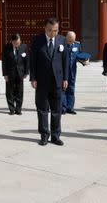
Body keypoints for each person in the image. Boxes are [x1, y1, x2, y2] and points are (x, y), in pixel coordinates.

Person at [29, 17, 68, 146]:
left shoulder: (62, 40)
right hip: (42, 81)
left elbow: (65, 61)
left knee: (57, 109)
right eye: (50, 30)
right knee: (42, 109)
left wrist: (66, 78)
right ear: (45, 28)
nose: (53, 33)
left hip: (57, 81)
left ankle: (56, 135)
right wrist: (33, 78)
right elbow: (33, 61)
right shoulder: (37, 40)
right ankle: (44, 135)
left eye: (56, 30)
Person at [61, 31, 90, 115]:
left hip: (72, 71)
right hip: (62, 71)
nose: (71, 42)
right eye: (69, 40)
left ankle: (70, 107)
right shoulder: (61, 44)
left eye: (72, 40)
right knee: (63, 89)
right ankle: (63, 107)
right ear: (66, 37)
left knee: (71, 89)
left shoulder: (77, 45)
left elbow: (79, 55)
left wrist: (84, 60)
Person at [1, 34, 28, 115]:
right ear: (12, 42)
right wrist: (5, 74)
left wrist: (26, 72)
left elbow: (27, 60)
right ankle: (11, 109)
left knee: (20, 92)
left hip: (20, 73)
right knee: (10, 92)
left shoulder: (24, 47)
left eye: (19, 42)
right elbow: (4, 62)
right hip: (10, 73)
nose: (17, 44)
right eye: (16, 43)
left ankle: (18, 109)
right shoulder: (7, 48)